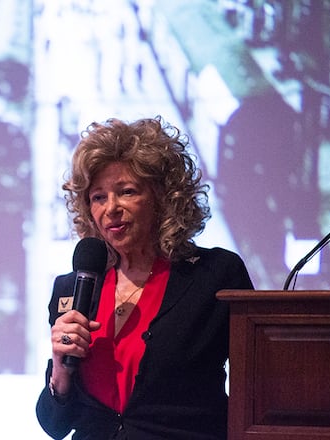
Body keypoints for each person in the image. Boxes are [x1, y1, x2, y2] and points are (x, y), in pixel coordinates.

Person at [36, 116, 254, 439]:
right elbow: (55, 425)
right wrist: (60, 371)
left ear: (162, 197)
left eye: (126, 192)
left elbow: (258, 392)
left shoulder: (214, 276)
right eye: (98, 197)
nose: (111, 208)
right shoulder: (72, 288)